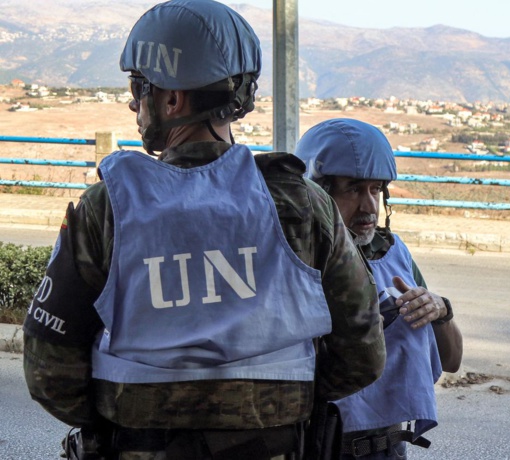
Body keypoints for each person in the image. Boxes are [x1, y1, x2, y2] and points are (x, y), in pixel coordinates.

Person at [22, 1, 386, 459]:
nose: (135, 103)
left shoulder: (109, 207)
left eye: (140, 87)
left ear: (172, 98)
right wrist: (273, 408)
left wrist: (123, 422)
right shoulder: (304, 205)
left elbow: (49, 372)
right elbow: (363, 354)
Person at [295, 118, 464, 459]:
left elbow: (452, 360)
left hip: (389, 448)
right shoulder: (298, 260)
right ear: (318, 192)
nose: (369, 206)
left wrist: (440, 310)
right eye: (353, 189)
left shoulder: (393, 253)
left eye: (376, 189)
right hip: (320, 445)